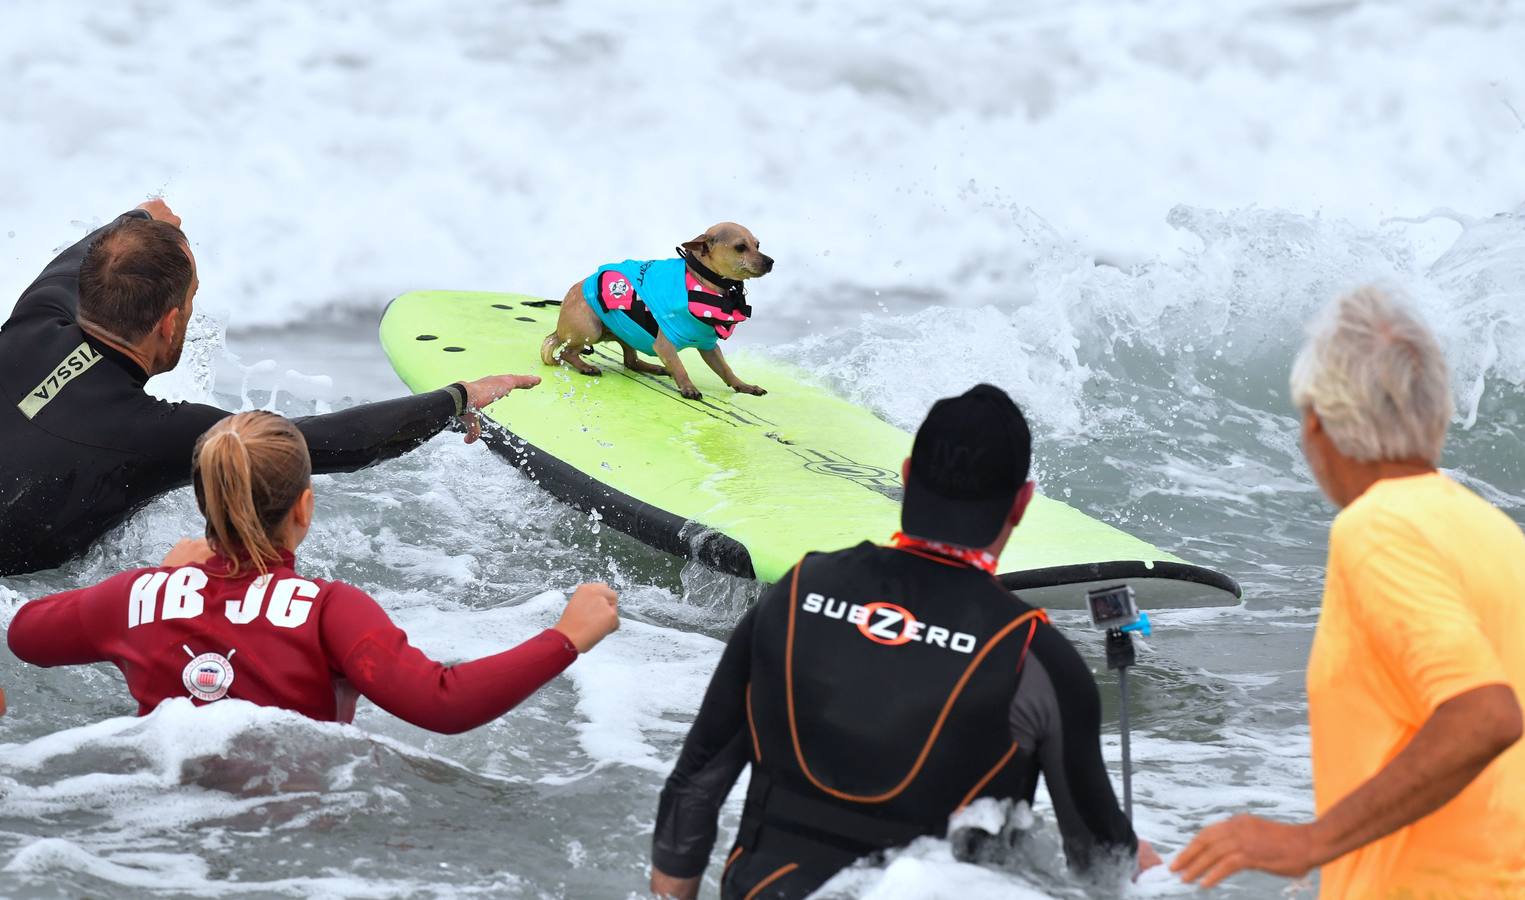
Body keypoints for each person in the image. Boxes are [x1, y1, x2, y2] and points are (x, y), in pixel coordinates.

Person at [650, 384, 1158, 900]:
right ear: (1022, 503)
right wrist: (1144, 862)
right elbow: (1100, 865)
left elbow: (696, 784)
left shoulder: (797, 591)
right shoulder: (1033, 655)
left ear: (907, 476)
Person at [1173, 287, 1525, 896]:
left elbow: (1484, 715)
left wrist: (1309, 842)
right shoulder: (1492, 530)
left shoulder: (1378, 527)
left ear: (1317, 422)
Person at [0, 199, 538, 576]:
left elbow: (86, 254)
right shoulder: (156, 433)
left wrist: (139, 220)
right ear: (169, 322)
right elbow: (329, 443)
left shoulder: (34, 318)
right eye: (191, 299)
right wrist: (458, 398)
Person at [6, 411, 620, 731]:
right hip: (293, 837)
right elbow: (443, 703)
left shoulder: (138, 597)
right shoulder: (330, 611)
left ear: (204, 503)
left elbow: (26, 634)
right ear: (304, 508)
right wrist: (566, 637)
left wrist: (157, 578)